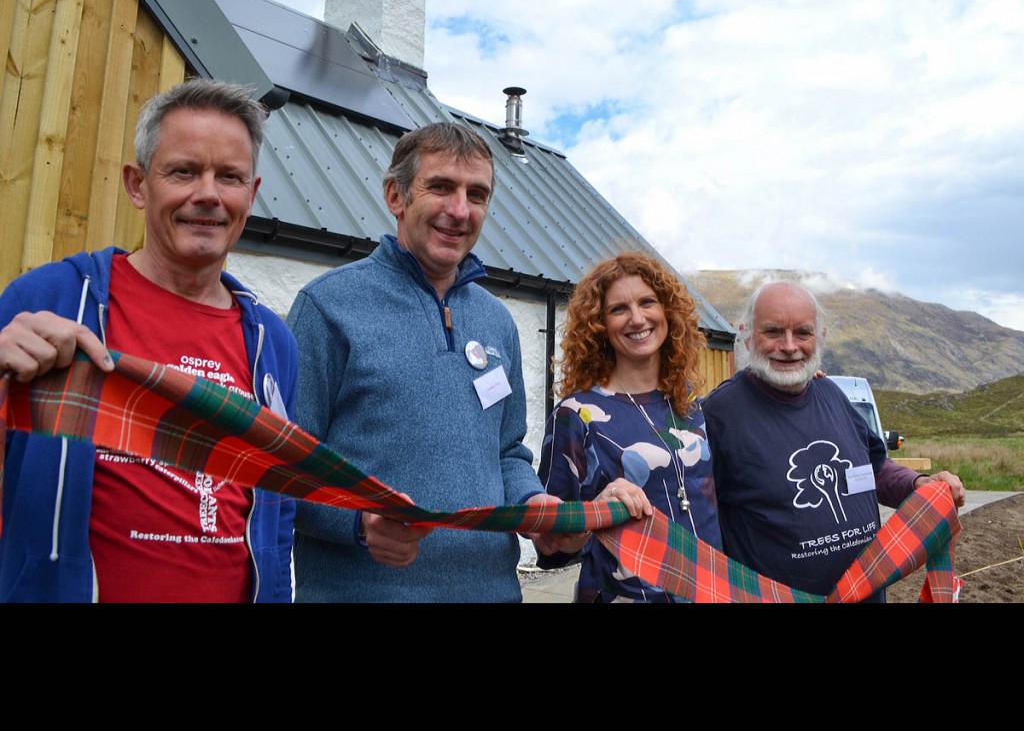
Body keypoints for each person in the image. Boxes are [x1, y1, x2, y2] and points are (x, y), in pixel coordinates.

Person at [0, 78, 298, 603]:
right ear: (138, 185)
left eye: (229, 176)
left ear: (250, 196)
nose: (208, 194)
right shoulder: (50, 298)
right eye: (184, 171)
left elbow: (277, 503)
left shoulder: (272, 342)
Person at [286, 121, 560, 602]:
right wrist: (358, 522)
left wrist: (533, 504)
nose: (460, 210)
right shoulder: (327, 307)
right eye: (440, 187)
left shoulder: (497, 321)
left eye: (477, 194)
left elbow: (506, 453)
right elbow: (283, 468)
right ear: (396, 196)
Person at [703, 280, 966, 601]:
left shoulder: (832, 395)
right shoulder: (719, 415)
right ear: (746, 334)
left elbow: (875, 468)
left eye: (802, 332)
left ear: (821, 336)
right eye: (773, 332)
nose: (789, 346)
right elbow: (697, 517)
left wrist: (919, 484)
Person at [535, 251, 722, 602]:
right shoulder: (577, 415)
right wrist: (595, 514)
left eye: (647, 302)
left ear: (667, 311)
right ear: (599, 324)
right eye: (619, 309)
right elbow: (551, 547)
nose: (637, 319)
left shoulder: (687, 403)